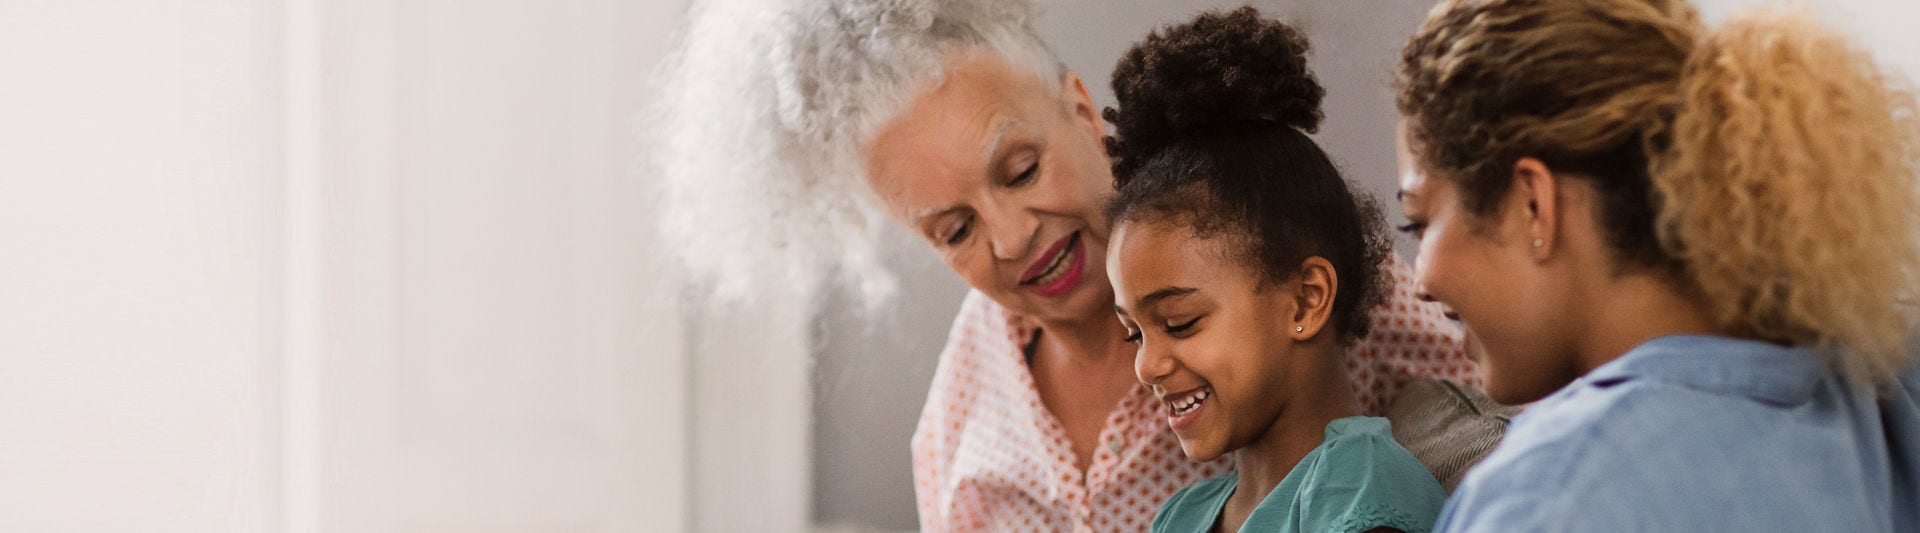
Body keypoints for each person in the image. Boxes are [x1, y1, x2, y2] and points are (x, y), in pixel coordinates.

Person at [655, 1, 1478, 530]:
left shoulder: (1273, 251)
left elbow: (1504, 416)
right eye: (954, 230)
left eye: (1019, 171)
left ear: (1083, 113)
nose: (1011, 238)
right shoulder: (962, 429)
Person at [1391, 0, 1920, 530]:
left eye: (1420, 221)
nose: (1419, 283)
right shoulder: (1884, 394)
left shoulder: (1544, 499)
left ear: (1534, 205)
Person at [1103, 10, 1445, 533]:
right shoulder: (1181, 517)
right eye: (1134, 334)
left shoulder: (1360, 489)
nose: (1146, 366)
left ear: (1307, 299)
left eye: (1179, 322)